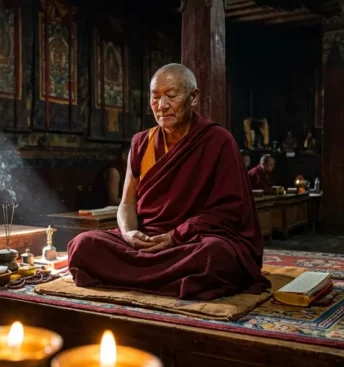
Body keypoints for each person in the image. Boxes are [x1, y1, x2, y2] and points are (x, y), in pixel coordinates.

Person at [67, 64, 269, 300]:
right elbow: (127, 203)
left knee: (216, 256)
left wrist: (176, 235)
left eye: (171, 96)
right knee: (82, 245)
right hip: (146, 239)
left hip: (190, 241)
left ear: (193, 97)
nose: (162, 106)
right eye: (155, 98)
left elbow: (230, 211)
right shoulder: (141, 143)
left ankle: (136, 276)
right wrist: (128, 233)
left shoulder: (217, 140)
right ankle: (169, 279)